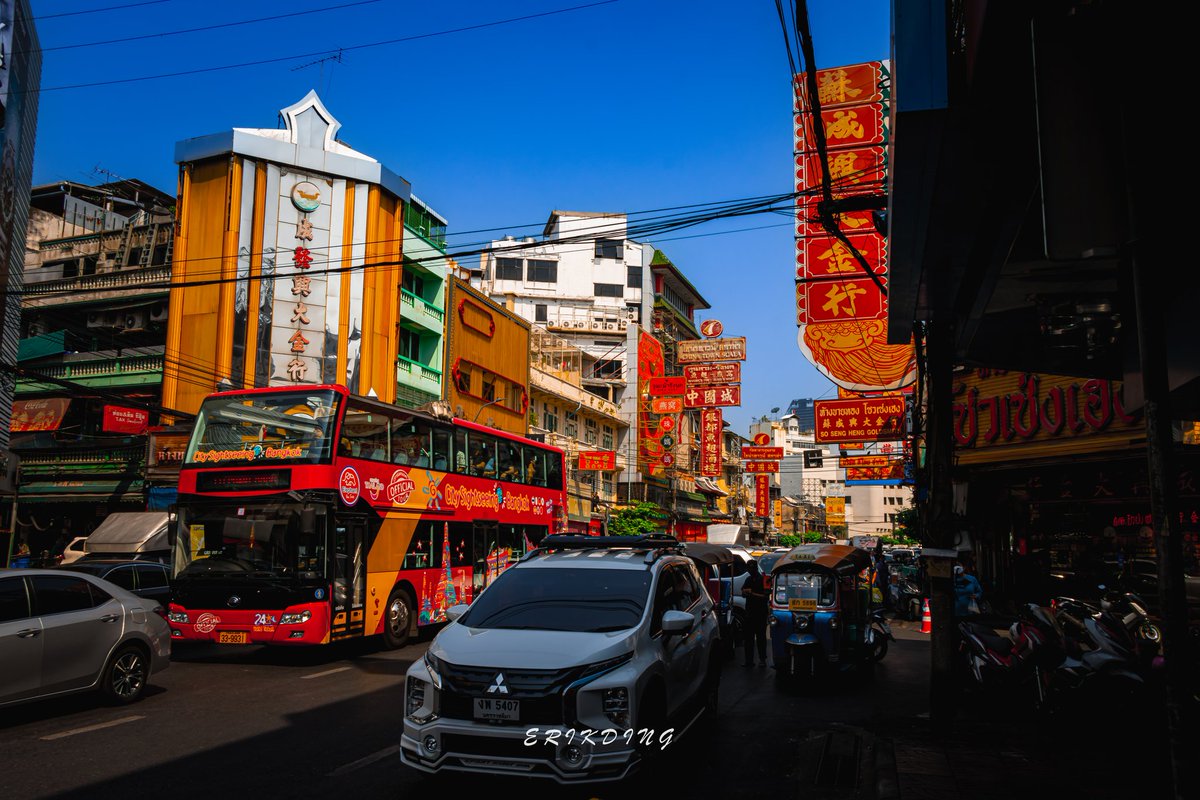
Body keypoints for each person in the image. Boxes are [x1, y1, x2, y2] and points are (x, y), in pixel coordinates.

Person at [741, 559, 770, 666]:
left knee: (761, 637)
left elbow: (766, 597)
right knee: (748, 638)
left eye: (750, 568)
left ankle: (762, 660)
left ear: (754, 568)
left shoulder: (764, 580)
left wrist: (752, 593)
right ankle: (749, 660)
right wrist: (745, 592)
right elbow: (743, 592)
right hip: (749, 612)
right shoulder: (748, 579)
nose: (749, 570)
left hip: (760, 613)